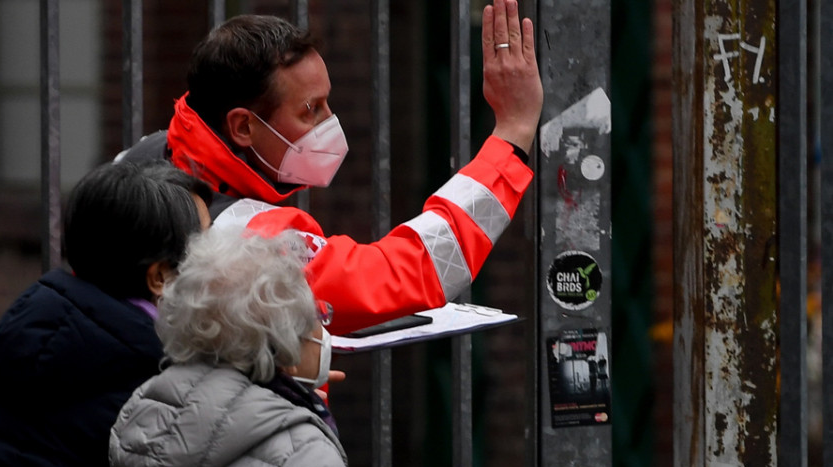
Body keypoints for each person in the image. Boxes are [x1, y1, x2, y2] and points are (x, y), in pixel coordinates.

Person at [116, 0, 542, 335]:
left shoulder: (139, 161)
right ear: (243, 126)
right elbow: (413, 270)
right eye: (310, 111)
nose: (329, 124)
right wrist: (513, 133)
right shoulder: (253, 243)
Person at [0, 160, 213, 467]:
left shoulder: (55, 331)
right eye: (206, 244)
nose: (219, 258)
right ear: (160, 278)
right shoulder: (142, 376)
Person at [105, 227, 351, 467]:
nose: (319, 327)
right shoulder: (306, 456)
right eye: (313, 316)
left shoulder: (143, 416)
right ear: (284, 338)